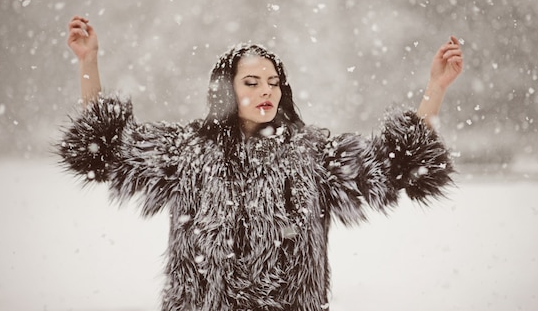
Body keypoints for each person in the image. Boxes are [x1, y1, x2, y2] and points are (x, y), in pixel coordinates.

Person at [59, 15, 463, 311]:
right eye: (251, 82)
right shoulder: (188, 150)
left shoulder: (313, 153)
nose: (266, 90)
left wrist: (435, 88)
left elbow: (398, 166)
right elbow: (106, 149)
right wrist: (88, 63)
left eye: (273, 82)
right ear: (227, 90)